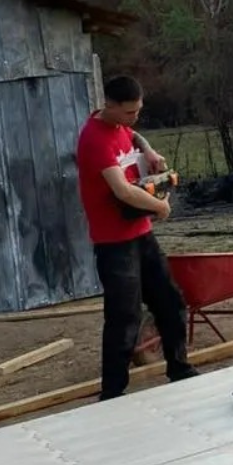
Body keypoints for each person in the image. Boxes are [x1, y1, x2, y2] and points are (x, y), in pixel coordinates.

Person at [75, 75, 199, 401]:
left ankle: (179, 367)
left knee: (170, 301)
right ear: (110, 105)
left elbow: (133, 135)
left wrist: (148, 150)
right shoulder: (94, 139)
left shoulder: (121, 127)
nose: (135, 117)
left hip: (141, 233)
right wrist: (160, 207)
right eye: (130, 112)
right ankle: (113, 391)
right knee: (124, 316)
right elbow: (123, 191)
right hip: (114, 242)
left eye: (139, 110)